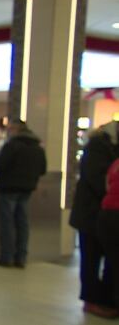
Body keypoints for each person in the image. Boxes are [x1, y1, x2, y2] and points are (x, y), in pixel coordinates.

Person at [70, 120, 119, 318]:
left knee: (110, 259)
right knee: (91, 258)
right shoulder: (98, 146)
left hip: (107, 213)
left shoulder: (103, 146)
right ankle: (91, 300)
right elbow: (98, 179)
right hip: (91, 213)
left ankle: (107, 299)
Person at [0, 119, 47, 268]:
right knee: (22, 222)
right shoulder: (37, 146)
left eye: (10, 129)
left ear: (15, 130)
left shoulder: (12, 145)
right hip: (27, 188)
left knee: (7, 223)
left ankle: (6, 256)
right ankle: (21, 257)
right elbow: (42, 169)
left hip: (8, 187)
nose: (8, 131)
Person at [96, 158, 119, 319]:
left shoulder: (116, 163)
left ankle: (111, 301)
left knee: (113, 262)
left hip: (107, 214)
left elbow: (107, 185)